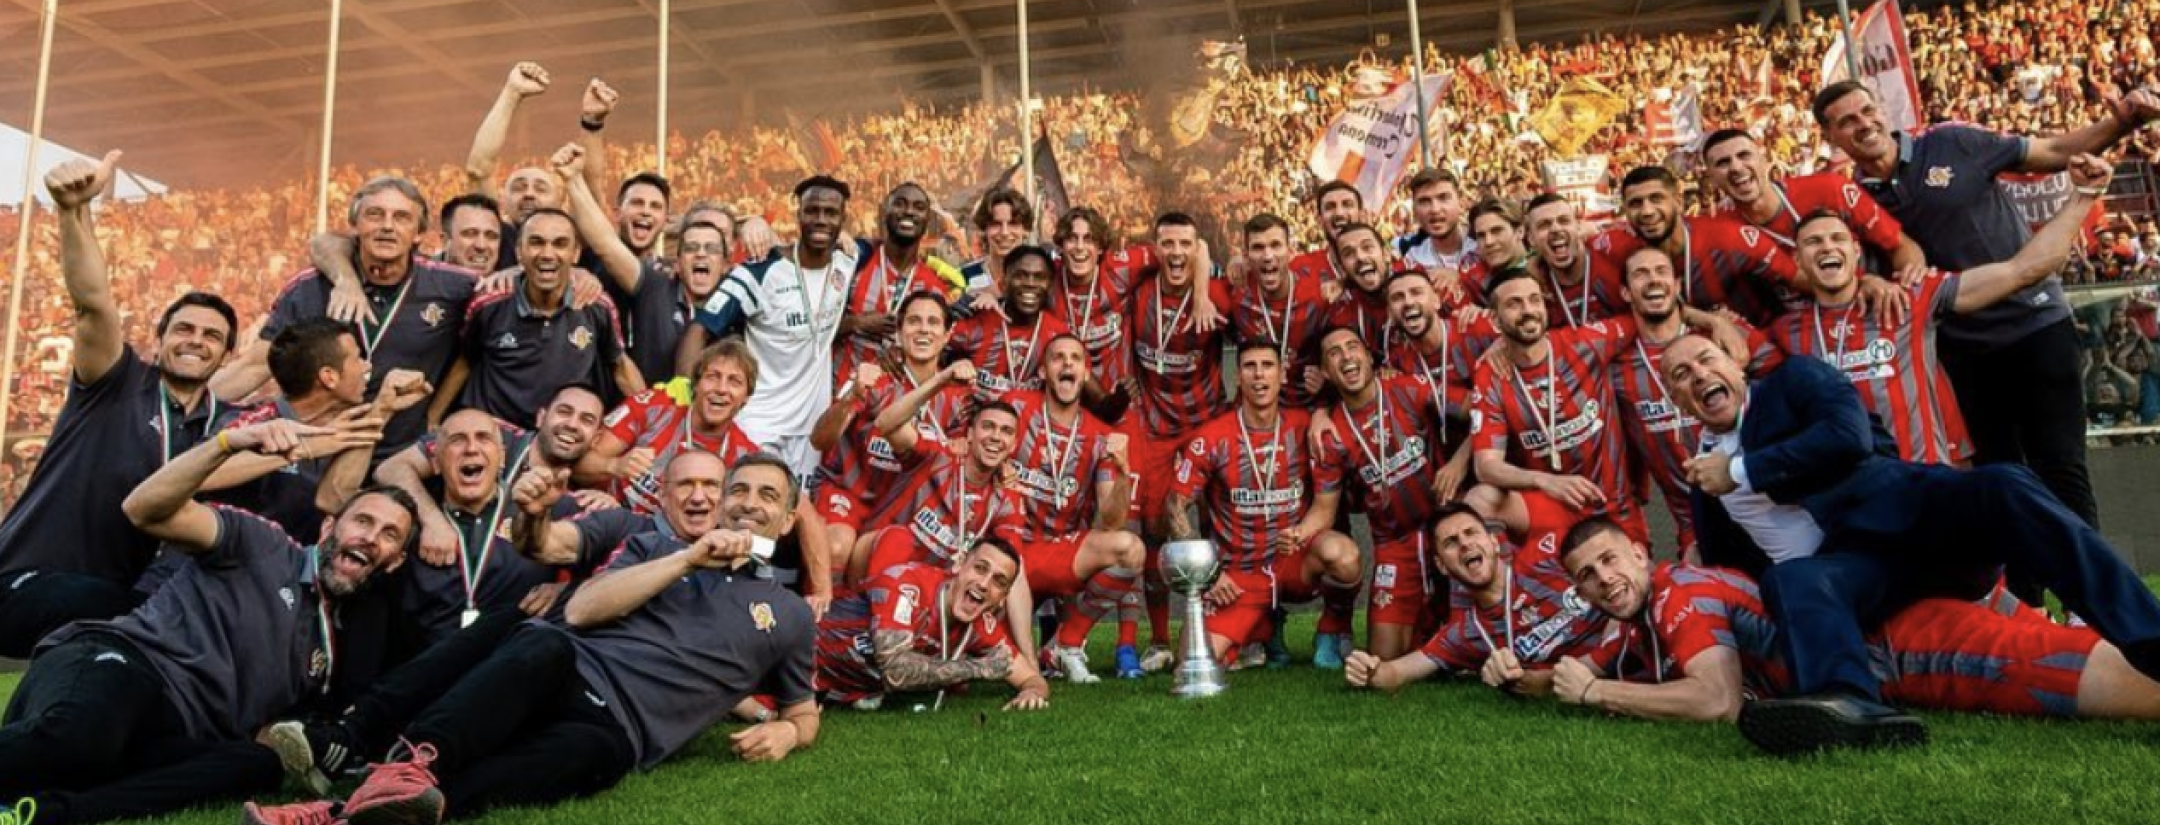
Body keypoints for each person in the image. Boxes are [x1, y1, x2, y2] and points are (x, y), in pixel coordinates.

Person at [241, 452, 818, 825]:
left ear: (789, 519)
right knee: (540, 640)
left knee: (589, 759)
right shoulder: (657, 547)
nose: (749, 504)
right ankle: (400, 765)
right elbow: (586, 609)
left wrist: (790, 735)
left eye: (769, 496)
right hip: (567, 672)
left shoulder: (790, 615)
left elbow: (804, 710)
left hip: (620, 733)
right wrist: (690, 558)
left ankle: (338, 814)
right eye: (738, 491)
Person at [1659, 332, 2160, 753]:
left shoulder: (1795, 379)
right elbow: (1732, 569)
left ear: (1736, 362)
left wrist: (1742, 470)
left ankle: (2149, 638)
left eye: (1706, 358)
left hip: (1917, 520)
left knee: (2005, 483)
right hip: (1860, 574)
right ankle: (1847, 704)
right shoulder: (1703, 484)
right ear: (1675, 401)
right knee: (1789, 579)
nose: (1698, 374)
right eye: (1680, 375)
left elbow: (1846, 437)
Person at [0, 419, 415, 824]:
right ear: (329, 526)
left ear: (394, 562)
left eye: (389, 534)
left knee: (257, 766)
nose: (371, 537)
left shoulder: (327, 652)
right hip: (126, 665)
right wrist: (224, 445)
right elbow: (142, 509)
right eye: (362, 520)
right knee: (81, 741)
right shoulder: (262, 542)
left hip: (175, 728)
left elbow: (275, 734)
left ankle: (45, 814)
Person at [1815, 80, 2160, 536]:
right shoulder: (1852, 204)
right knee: (2002, 478)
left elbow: (2055, 150)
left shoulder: (1952, 142)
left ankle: (2089, 603)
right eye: (1847, 121)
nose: (1864, 124)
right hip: (1963, 355)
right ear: (1830, 137)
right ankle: (2026, 604)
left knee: (2061, 469)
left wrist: (2121, 122)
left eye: (1867, 110)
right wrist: (1870, 278)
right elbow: (1861, 275)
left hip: (2035, 325)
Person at [1555, 518, 2160, 752]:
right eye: (1587, 576)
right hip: (1893, 623)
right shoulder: (1641, 629)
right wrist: (1516, 676)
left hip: (1901, 647)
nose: (1603, 579)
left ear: (1640, 553)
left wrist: (1595, 695)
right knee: (2077, 645)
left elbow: (1713, 700)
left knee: (2079, 675)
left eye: (1610, 561)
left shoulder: (1678, 592)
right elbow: (1587, 665)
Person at [0, 151, 241, 657]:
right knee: (130, 613)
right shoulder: (115, 380)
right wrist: (72, 212)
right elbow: (93, 303)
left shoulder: (220, 428)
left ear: (226, 354)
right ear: (160, 339)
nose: (196, 341)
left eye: (211, 336)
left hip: (112, 606)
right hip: (26, 581)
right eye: (184, 329)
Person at [1770, 159, 2115, 465]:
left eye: (1837, 238)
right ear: (1798, 260)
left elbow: (2021, 270)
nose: (1827, 246)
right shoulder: (1785, 334)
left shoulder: (1912, 298)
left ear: (1856, 251)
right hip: (1847, 501)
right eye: (1813, 242)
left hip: (1926, 486)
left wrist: (2083, 196)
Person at [220, 175, 476, 459]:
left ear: (419, 233)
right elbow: (255, 365)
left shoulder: (453, 287)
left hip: (402, 454)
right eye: (374, 215)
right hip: (318, 452)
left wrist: (435, 415)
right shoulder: (310, 288)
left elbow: (505, 303)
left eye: (401, 217)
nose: (387, 226)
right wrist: (190, 405)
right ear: (355, 226)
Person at [1166, 341, 1363, 668]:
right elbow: (1174, 506)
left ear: (1282, 375)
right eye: (1250, 367)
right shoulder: (1213, 437)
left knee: (1345, 556)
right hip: (1238, 573)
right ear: (1238, 378)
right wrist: (1209, 574)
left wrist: (1301, 532)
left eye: (1268, 366)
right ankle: (1261, 626)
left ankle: (1332, 629)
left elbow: (1327, 508)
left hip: (1292, 560)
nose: (1259, 375)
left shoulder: (1304, 428)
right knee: (1192, 660)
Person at [678, 176, 858, 480]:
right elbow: (700, 329)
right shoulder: (759, 272)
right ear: (798, 214)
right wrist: (684, 397)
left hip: (810, 430)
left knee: (793, 516)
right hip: (759, 424)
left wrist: (860, 322)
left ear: (844, 219)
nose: (821, 220)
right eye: (812, 211)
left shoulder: (848, 261)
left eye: (830, 213)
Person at [1609, 246, 1776, 559]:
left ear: (1677, 285)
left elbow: (1786, 381)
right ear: (1626, 292)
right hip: (1697, 526)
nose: (1652, 280)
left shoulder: (1723, 335)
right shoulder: (1617, 367)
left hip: (1765, 499)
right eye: (1640, 274)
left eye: (1661, 272)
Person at [1343, 503, 1610, 694]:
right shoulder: (1466, 633)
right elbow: (1397, 671)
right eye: (1451, 542)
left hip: (1624, 640)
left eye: (1471, 533)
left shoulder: (1547, 559)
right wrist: (1369, 671)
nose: (1465, 544)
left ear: (1494, 543)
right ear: (1442, 566)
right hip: (1589, 676)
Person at [204, 319, 430, 544]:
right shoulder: (255, 420)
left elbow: (333, 500)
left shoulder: (342, 429)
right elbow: (203, 475)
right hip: (231, 564)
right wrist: (304, 448)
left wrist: (382, 410)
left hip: (292, 569)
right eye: (358, 358)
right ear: (329, 377)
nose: (367, 366)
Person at [1310, 326, 1457, 661]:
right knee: (1385, 655)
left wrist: (1458, 466)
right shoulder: (1330, 431)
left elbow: (1478, 411)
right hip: (1393, 542)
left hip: (1444, 525)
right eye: (1334, 353)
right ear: (1324, 372)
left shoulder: (1407, 388)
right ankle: (1429, 629)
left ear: (1368, 356)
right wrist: (1297, 533)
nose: (1346, 356)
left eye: (1353, 347)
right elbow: (1325, 507)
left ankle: (1445, 625)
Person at [1126, 211, 1234, 669]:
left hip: (1206, 422)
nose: (1176, 253)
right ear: (1156, 248)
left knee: (1216, 523)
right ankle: (1159, 639)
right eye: (1167, 244)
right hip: (1155, 426)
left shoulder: (1218, 295)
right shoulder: (1138, 293)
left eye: (1185, 244)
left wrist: (1208, 287)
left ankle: (1224, 629)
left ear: (1197, 250)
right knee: (1155, 531)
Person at [1006, 335, 1147, 682]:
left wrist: (1124, 473)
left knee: (1130, 549)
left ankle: (1064, 644)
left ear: (1085, 373)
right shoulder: (1015, 408)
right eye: (1057, 358)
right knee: (986, 660)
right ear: (1043, 371)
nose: (1067, 364)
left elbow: (1112, 521)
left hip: (1056, 553)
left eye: (1075, 359)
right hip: (1005, 551)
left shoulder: (1099, 436)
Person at [810, 292, 972, 583]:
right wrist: (852, 397)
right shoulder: (873, 377)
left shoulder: (959, 398)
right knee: (837, 547)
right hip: (850, 492)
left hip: (905, 508)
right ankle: (820, 622)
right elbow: (820, 440)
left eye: (933, 322)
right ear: (898, 332)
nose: (923, 329)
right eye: (913, 321)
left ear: (948, 335)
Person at [435, 208, 641, 428]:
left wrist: (653, 419)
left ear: (576, 254)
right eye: (536, 242)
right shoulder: (488, 304)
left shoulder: (596, 305)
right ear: (518, 251)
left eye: (560, 244)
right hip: (495, 434)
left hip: (559, 437)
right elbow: (465, 360)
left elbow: (620, 366)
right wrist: (432, 419)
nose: (547, 254)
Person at [814, 539, 1051, 712]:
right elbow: (895, 670)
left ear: (1002, 599)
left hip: (829, 694)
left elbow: (1031, 678)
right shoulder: (907, 584)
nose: (984, 584)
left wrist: (1033, 692)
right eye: (980, 569)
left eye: (999, 582)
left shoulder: (982, 625)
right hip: (795, 659)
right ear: (959, 565)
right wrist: (978, 668)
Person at [555, 143, 706, 384]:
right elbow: (595, 206)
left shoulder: (669, 278)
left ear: (666, 220)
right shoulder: (591, 255)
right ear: (616, 213)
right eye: (637, 203)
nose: (646, 212)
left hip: (649, 402)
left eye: (655, 206)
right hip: (592, 393)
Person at [1700, 128, 1926, 287]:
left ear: (1765, 159)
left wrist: (1905, 289)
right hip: (1800, 334)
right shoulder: (1721, 232)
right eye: (1723, 163)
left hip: (1873, 310)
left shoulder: (1829, 189)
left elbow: (1901, 246)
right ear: (1710, 178)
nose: (1736, 168)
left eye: (1744, 155)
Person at [1587, 166, 1798, 325]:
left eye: (1656, 199)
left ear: (1678, 201)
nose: (1647, 211)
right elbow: (1578, 243)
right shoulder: (1614, 247)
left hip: (1755, 348)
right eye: (1635, 203)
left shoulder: (1728, 238)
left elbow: (1800, 280)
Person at [834, 183, 951, 383]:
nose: (909, 212)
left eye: (919, 207)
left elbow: (942, 350)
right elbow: (814, 329)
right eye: (900, 204)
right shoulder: (854, 264)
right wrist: (855, 323)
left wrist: (905, 352)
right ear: (884, 212)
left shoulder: (935, 287)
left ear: (927, 220)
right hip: (841, 391)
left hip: (895, 401)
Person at [1231, 213, 1332, 410]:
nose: (1268, 256)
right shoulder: (1237, 294)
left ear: (1291, 251)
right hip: (1252, 410)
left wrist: (1327, 378)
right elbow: (1199, 248)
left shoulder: (1318, 297)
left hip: (1306, 408)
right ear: (1245, 255)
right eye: (1258, 248)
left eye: (1275, 245)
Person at [948, 245, 1072, 397]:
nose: (1030, 283)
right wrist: (957, 359)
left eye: (1039, 277)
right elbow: (937, 353)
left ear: (1050, 286)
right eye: (1020, 275)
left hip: (1033, 420)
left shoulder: (1059, 336)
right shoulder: (976, 322)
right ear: (1003, 283)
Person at [1523, 194, 1626, 328]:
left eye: (1564, 221)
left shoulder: (1613, 258)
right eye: (1544, 225)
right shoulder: (1530, 287)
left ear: (1578, 226)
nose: (1556, 229)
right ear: (1531, 238)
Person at [1394, 168, 1480, 274]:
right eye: (1424, 201)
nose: (1435, 209)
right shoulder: (1412, 261)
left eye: (1443, 198)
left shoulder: (1483, 241)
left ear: (1461, 203)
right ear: (1414, 211)